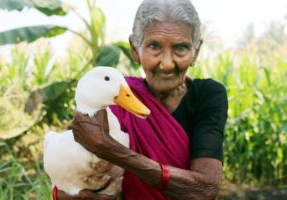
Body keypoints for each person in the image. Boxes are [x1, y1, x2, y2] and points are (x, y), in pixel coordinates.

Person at [57, 0, 228, 199]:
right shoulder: (113, 95)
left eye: (180, 48)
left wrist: (110, 149)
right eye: (154, 46)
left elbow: (204, 189)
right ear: (135, 50)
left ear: (195, 52)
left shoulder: (207, 95)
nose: (166, 63)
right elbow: (68, 184)